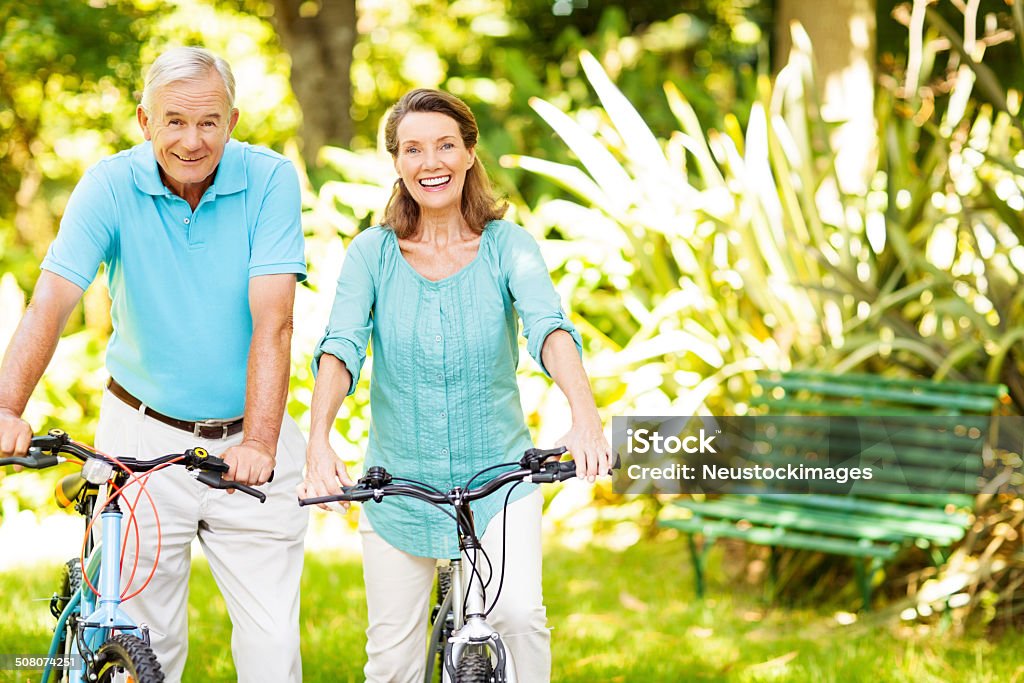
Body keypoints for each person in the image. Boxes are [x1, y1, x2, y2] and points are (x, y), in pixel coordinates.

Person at [0, 47, 308, 682]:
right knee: (144, 641)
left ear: (233, 120)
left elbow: (274, 319)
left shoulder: (271, 180)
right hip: (142, 434)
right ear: (145, 121)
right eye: (174, 121)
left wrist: (258, 439)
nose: (192, 141)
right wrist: (6, 409)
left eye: (208, 122)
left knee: (273, 646)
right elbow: (52, 301)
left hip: (251, 443)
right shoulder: (110, 185)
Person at [299, 88, 612, 682]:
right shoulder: (372, 254)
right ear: (396, 163)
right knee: (391, 662)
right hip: (400, 489)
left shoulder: (508, 248)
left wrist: (585, 414)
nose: (430, 162)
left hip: (497, 484)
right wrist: (319, 439)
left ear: (470, 153)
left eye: (445, 145)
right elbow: (342, 346)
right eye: (413, 149)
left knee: (517, 617)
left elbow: (548, 328)